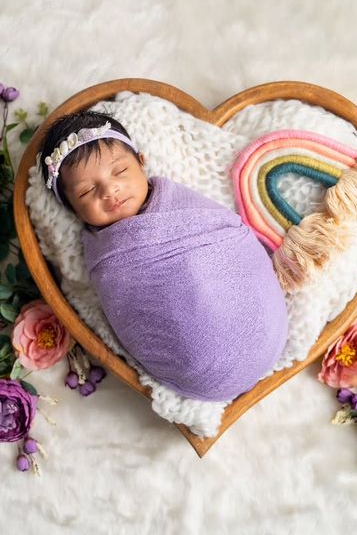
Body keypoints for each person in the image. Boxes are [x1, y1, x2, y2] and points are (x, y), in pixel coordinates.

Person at [39, 110, 288, 401]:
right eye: (87, 191)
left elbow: (227, 235)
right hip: (195, 368)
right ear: (73, 209)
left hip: (264, 331)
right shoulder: (105, 257)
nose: (110, 190)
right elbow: (127, 306)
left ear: (141, 163)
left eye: (120, 172)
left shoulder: (185, 208)